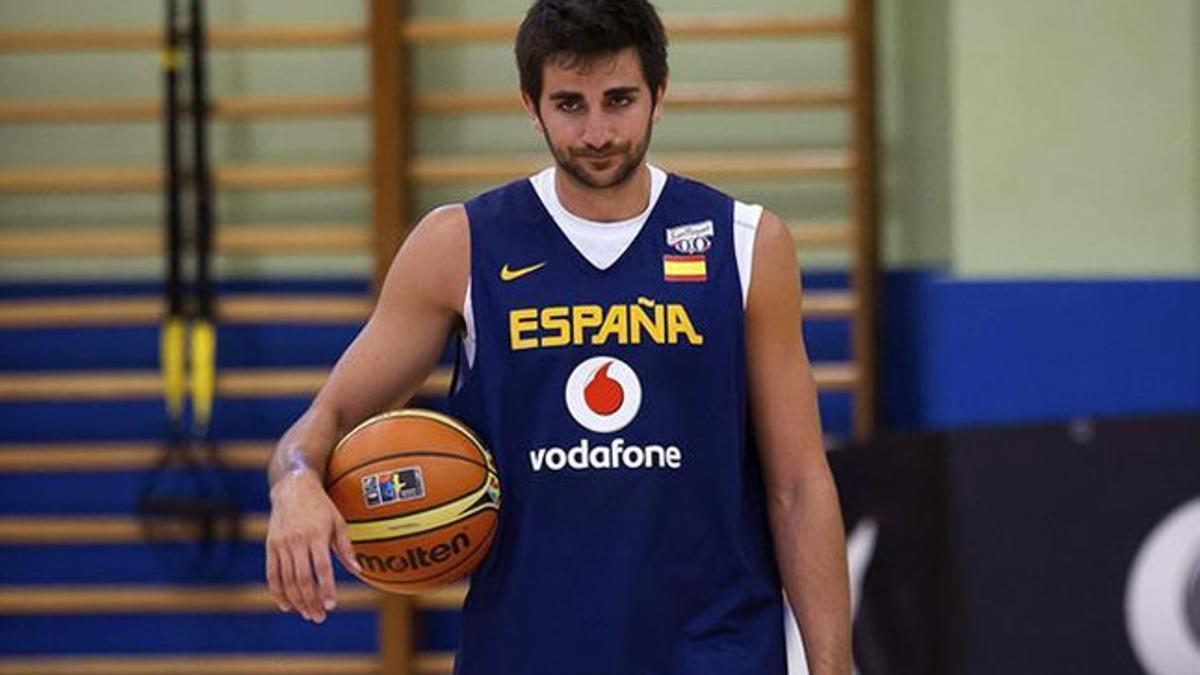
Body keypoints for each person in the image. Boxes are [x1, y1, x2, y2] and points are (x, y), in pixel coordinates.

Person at [265, 1, 851, 673]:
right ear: (531, 104)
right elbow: (325, 420)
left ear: (659, 95)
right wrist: (295, 481)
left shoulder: (747, 244)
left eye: (620, 100)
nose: (598, 131)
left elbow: (800, 483)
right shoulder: (460, 245)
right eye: (570, 104)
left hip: (713, 651)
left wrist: (833, 666)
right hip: (526, 650)